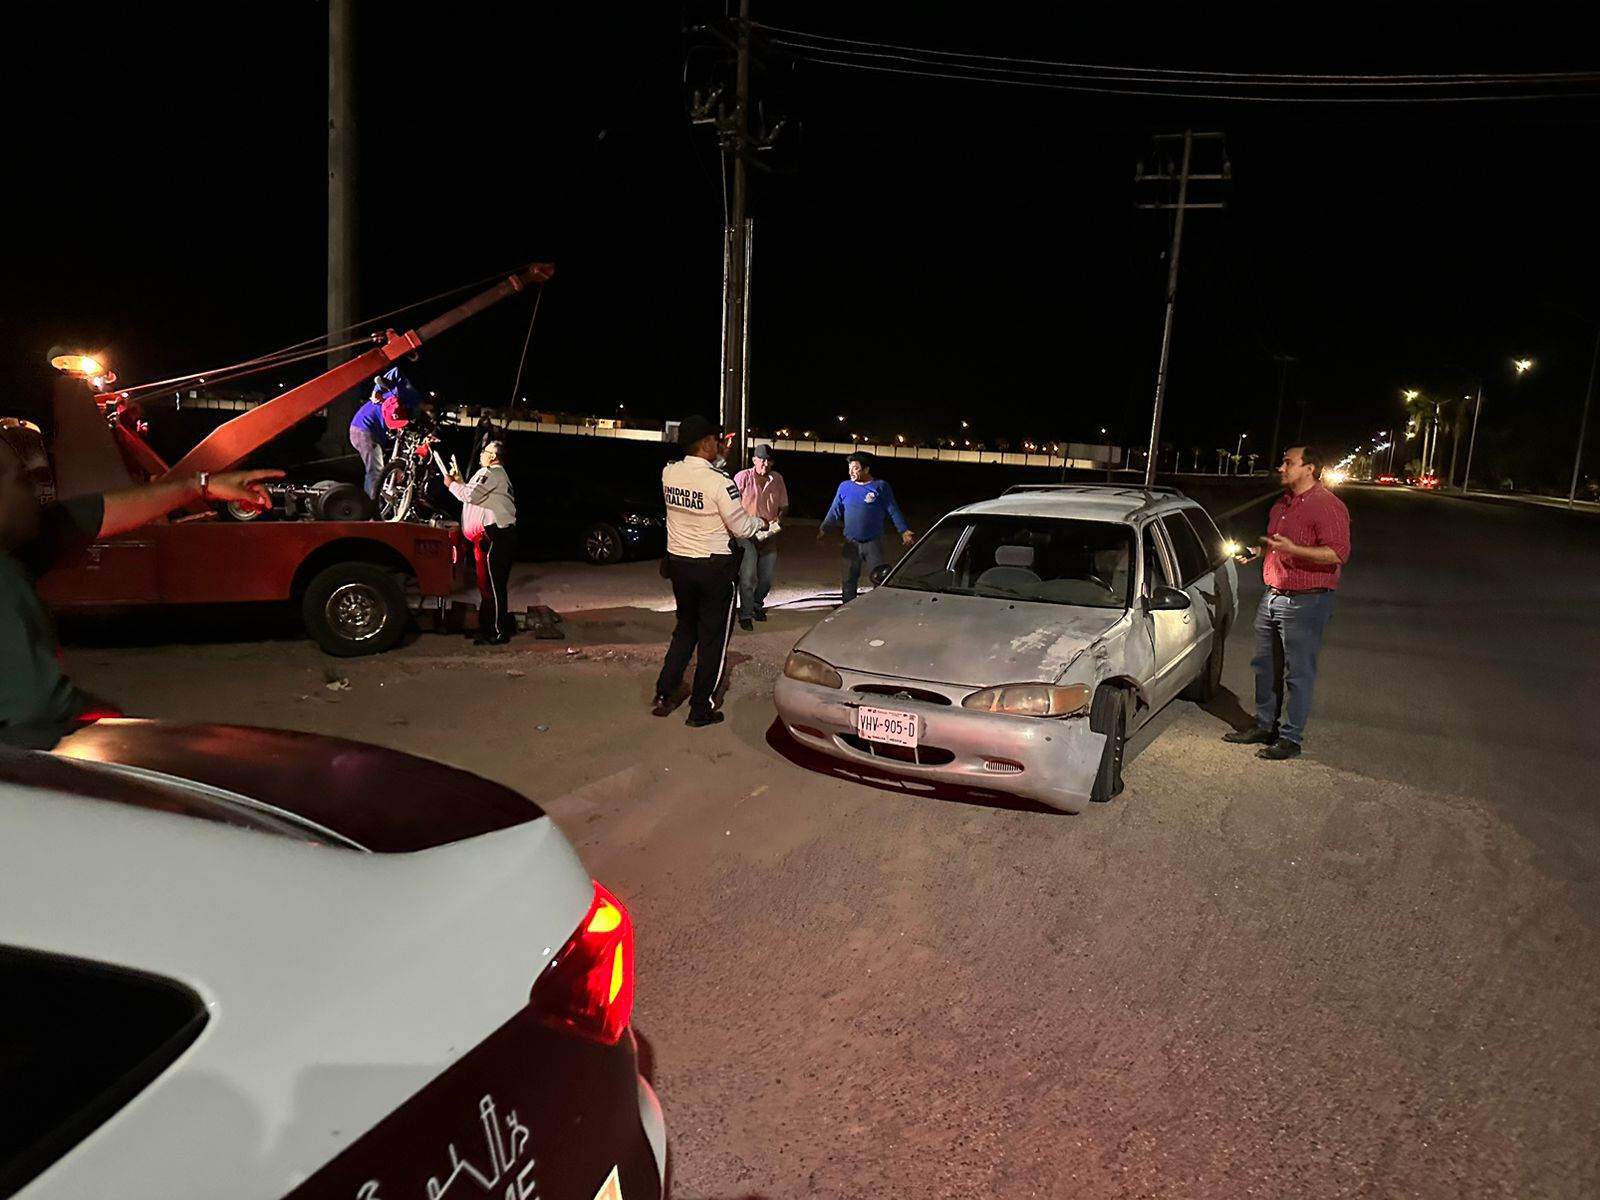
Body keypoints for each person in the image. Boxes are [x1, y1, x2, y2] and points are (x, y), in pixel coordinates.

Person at [0, 424, 280, 749]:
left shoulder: (19, 544)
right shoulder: (5, 578)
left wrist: (202, 486)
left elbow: (96, 512)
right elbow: (40, 707)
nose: (36, 491)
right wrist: (112, 719)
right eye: (22, 479)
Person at [1224, 444, 1352, 761]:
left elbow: (1337, 554)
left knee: (1298, 673)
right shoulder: (1283, 503)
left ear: (1309, 468)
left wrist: (1294, 549)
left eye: (1288, 462)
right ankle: (1265, 726)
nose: (1281, 468)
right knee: (1266, 667)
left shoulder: (1327, 505)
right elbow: (1278, 545)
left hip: (1306, 602)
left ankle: (1291, 737)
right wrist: (1258, 553)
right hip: (1273, 596)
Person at [653, 415, 764, 727]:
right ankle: (701, 707)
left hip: (679, 566)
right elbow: (741, 527)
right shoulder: (720, 483)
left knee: (684, 630)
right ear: (705, 443)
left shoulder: (669, 473)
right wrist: (762, 523)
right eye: (716, 440)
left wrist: (717, 463)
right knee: (713, 639)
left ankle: (664, 692)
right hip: (713, 570)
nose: (721, 444)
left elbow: (700, 482)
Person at [818, 451, 915, 605]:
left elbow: (893, 509)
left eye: (855, 468)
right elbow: (835, 510)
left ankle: (877, 610)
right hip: (850, 542)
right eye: (849, 468)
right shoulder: (844, 487)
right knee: (848, 580)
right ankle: (847, 610)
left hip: (873, 542)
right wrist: (824, 529)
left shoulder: (880, 486)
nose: (851, 471)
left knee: (879, 579)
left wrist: (903, 531)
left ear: (866, 469)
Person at [446, 439, 517, 646]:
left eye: (485, 451)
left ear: (493, 456)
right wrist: (460, 483)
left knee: (493, 587)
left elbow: (469, 495)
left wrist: (451, 485)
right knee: (487, 585)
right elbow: (473, 494)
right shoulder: (496, 477)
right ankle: (488, 628)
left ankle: (498, 632)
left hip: (496, 536)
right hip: (494, 536)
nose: (481, 454)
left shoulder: (491, 473)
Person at [732, 443, 789, 630]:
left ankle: (757, 605)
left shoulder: (777, 478)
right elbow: (731, 505)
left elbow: (784, 505)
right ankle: (745, 614)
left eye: (768, 460)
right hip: (746, 534)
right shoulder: (742, 477)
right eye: (762, 459)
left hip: (769, 535)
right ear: (754, 459)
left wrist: (779, 520)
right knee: (748, 576)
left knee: (766, 578)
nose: (765, 463)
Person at [348, 367, 416, 498]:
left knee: (378, 466)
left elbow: (401, 437)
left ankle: (376, 497)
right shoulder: (404, 393)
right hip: (363, 429)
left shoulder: (408, 405)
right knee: (375, 469)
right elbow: (394, 372)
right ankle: (371, 506)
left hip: (370, 430)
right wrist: (376, 391)